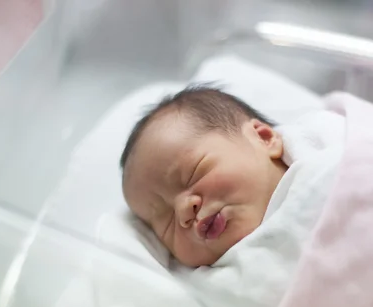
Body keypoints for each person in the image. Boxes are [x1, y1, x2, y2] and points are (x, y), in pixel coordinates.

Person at [120, 85, 288, 267]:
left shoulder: (318, 171)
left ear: (263, 138)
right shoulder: (209, 284)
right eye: (167, 221)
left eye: (193, 174)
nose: (184, 211)